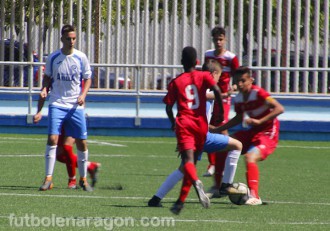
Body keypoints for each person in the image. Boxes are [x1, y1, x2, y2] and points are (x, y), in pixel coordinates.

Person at [148, 59, 244, 208]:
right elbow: (206, 95)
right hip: (202, 136)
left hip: (192, 134)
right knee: (237, 145)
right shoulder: (202, 86)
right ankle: (226, 185)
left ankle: (155, 199)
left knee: (183, 169)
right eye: (218, 76)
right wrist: (225, 95)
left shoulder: (193, 85)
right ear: (213, 74)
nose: (218, 80)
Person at [209, 66, 284, 205]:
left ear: (251, 80)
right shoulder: (238, 99)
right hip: (252, 131)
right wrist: (220, 129)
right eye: (238, 81)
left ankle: (255, 196)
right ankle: (218, 188)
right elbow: (239, 117)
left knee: (250, 157)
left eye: (243, 80)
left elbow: (280, 108)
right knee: (222, 147)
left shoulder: (259, 93)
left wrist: (260, 121)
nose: (240, 84)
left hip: (268, 132)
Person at [163, 47, 223, 215]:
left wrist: (172, 122)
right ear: (197, 62)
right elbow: (217, 91)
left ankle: (196, 181)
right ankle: (180, 202)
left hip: (185, 123)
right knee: (192, 163)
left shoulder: (176, 82)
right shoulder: (203, 76)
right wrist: (221, 112)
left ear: (182, 62)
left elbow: (168, 107)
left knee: (188, 162)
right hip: (201, 125)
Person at [37, 24, 93, 191]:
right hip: (57, 103)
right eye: (68, 38)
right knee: (53, 139)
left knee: (82, 142)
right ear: (62, 39)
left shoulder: (81, 57)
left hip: (75, 106)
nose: (72, 41)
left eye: (74, 38)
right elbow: (47, 78)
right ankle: (48, 179)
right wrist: (44, 89)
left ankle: (83, 179)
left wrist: (83, 95)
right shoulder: (53, 58)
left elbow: (88, 78)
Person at [203, 26, 240, 200]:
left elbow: (239, 76)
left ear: (225, 39)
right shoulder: (208, 54)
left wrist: (233, 87)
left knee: (221, 131)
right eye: (216, 39)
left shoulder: (231, 57)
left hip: (223, 99)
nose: (218, 42)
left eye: (221, 39)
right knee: (210, 130)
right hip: (211, 97)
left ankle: (221, 181)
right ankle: (216, 171)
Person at [34, 104, 100, 189]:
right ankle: (90, 166)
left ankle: (72, 180)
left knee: (67, 147)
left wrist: (82, 104)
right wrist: (39, 111)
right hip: (59, 111)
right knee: (60, 155)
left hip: (73, 112)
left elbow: (82, 92)